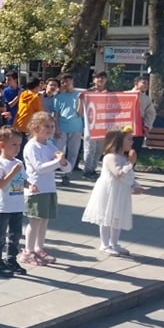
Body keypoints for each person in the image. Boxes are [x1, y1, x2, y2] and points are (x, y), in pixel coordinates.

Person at [82, 127, 145, 256]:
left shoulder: (123, 158)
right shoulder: (110, 157)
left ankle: (114, 243)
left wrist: (135, 186)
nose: (132, 142)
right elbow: (118, 173)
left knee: (117, 217)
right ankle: (105, 244)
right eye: (129, 139)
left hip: (120, 192)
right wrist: (130, 163)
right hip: (109, 191)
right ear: (119, 141)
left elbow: (129, 176)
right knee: (107, 216)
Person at [23, 111, 69, 265]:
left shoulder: (49, 145)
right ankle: (28, 252)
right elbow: (39, 168)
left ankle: (38, 249)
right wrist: (57, 162)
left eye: (52, 126)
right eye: (46, 126)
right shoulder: (32, 146)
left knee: (44, 221)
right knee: (34, 221)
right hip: (36, 189)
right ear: (35, 127)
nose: (50, 129)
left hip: (49, 188)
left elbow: (66, 167)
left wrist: (62, 162)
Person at [0, 127, 29, 277]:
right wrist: (12, 173)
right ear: (2, 145)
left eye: (19, 145)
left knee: (15, 235)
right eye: (13, 144)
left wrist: (30, 185)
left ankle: (11, 259)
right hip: (3, 206)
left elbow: (23, 179)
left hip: (17, 205)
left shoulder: (18, 162)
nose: (17, 148)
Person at [52, 74, 83, 185]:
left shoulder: (79, 95)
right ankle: (51, 172)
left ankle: (67, 175)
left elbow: (80, 114)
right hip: (62, 127)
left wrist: (81, 101)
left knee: (73, 152)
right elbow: (56, 115)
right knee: (56, 150)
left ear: (72, 82)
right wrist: (56, 129)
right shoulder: (59, 97)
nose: (67, 84)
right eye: (64, 82)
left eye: (68, 81)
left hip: (76, 127)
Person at [82, 71, 109, 178]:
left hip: (103, 125)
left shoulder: (110, 93)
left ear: (106, 80)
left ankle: (93, 169)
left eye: (103, 78)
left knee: (99, 149)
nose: (100, 80)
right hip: (91, 125)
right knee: (90, 148)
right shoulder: (88, 92)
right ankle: (87, 170)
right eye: (98, 78)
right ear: (94, 80)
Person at [129, 75, 157, 154]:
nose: (146, 85)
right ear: (136, 83)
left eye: (147, 84)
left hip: (139, 126)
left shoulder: (147, 99)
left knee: (135, 149)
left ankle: (132, 165)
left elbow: (151, 113)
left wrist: (147, 126)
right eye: (143, 83)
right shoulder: (126, 94)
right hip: (127, 126)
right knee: (124, 149)